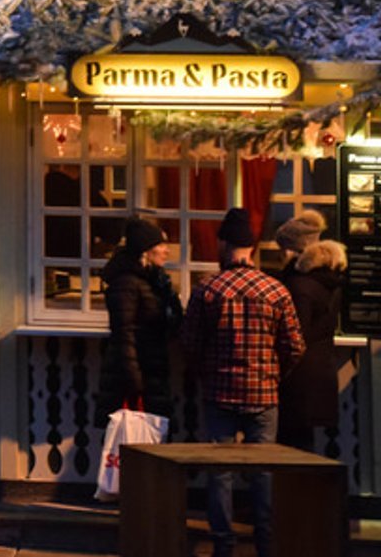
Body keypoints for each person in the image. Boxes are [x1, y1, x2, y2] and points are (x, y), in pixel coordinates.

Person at [181, 206, 305, 557]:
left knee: (219, 472)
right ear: (251, 247)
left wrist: (205, 371)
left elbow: (189, 343)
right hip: (264, 392)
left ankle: (224, 544)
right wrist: (274, 373)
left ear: (223, 244)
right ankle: (265, 543)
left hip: (220, 390)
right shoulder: (276, 290)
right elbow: (294, 345)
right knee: (264, 472)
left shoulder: (209, 289)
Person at [96, 216, 183, 423]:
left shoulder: (152, 280)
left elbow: (170, 319)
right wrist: (135, 383)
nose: (166, 250)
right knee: (136, 440)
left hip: (150, 372)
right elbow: (123, 334)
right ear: (145, 251)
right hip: (137, 379)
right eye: (160, 245)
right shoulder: (127, 283)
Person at [278, 236, 347, 450]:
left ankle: (289, 484)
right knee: (306, 443)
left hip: (298, 374)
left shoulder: (301, 287)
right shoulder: (333, 287)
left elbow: (297, 334)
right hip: (322, 369)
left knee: (290, 441)